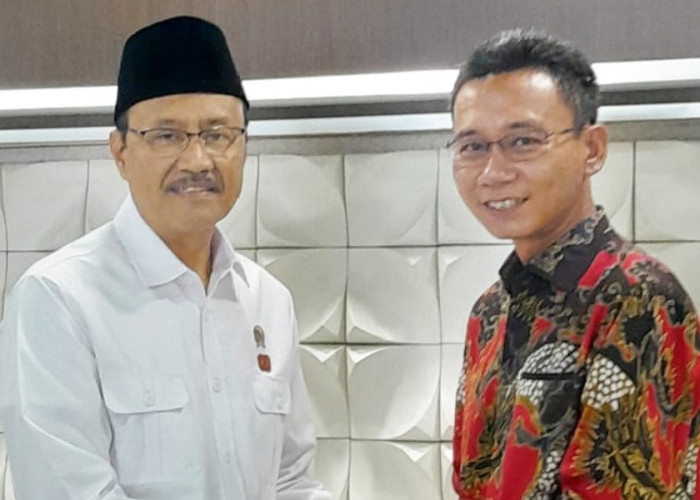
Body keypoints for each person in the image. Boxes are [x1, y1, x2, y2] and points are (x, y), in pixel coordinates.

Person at [0, 16, 330, 500]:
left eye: (218, 134)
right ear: (120, 152)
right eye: (167, 135)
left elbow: (291, 481)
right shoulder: (57, 300)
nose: (197, 161)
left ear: (244, 145)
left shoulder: (269, 301)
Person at [449, 29, 700, 499]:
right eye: (473, 147)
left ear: (592, 149)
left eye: (523, 141)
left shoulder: (638, 298)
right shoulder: (490, 310)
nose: (493, 172)